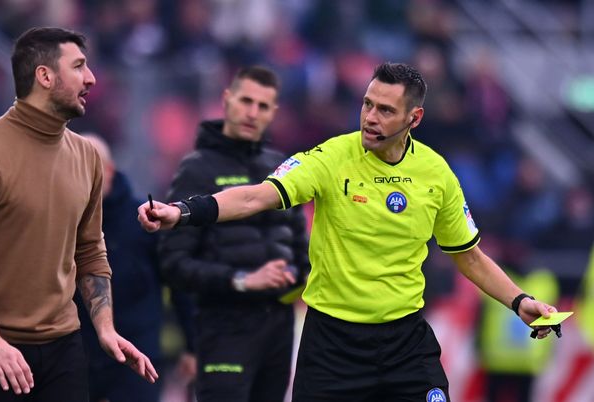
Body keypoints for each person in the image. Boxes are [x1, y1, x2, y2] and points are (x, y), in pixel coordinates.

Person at [138, 62, 558, 402]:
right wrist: (185, 211)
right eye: (367, 104)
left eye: (385, 110)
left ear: (415, 118)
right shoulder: (332, 156)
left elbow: (468, 254)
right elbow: (256, 197)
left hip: (404, 340)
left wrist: (518, 300)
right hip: (332, 344)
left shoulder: (437, 174)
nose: (371, 118)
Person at [0, 27, 157, 402]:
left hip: (63, 353)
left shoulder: (87, 157)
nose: (91, 78)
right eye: (79, 66)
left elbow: (90, 252)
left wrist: (105, 329)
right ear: (45, 76)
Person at [157, 65, 311, 402]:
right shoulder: (196, 169)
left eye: (263, 106)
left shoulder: (284, 168)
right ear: (227, 100)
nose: (252, 113)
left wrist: (295, 275)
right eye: (246, 101)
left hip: (279, 325)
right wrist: (242, 279)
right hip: (223, 323)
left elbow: (303, 251)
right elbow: (172, 263)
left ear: (274, 113)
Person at [77, 134, 163, 402]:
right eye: (75, 168)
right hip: (79, 352)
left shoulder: (144, 219)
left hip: (136, 351)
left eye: (91, 167)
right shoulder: (60, 221)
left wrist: (192, 347)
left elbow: (177, 284)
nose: (82, 177)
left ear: (110, 170)